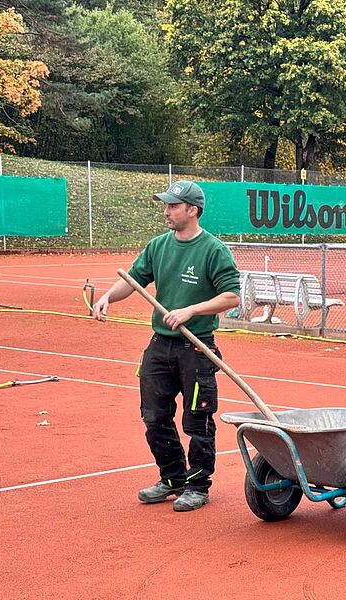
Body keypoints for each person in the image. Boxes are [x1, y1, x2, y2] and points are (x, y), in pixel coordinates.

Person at [92, 180, 241, 512]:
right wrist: (108, 297)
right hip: (160, 346)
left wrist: (192, 310)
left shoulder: (213, 250)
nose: (166, 211)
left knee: (198, 420)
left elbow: (231, 296)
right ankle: (172, 478)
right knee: (154, 416)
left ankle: (198, 486)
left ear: (193, 210)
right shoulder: (158, 246)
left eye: (173, 206)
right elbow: (133, 281)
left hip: (196, 348)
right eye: (166, 205)